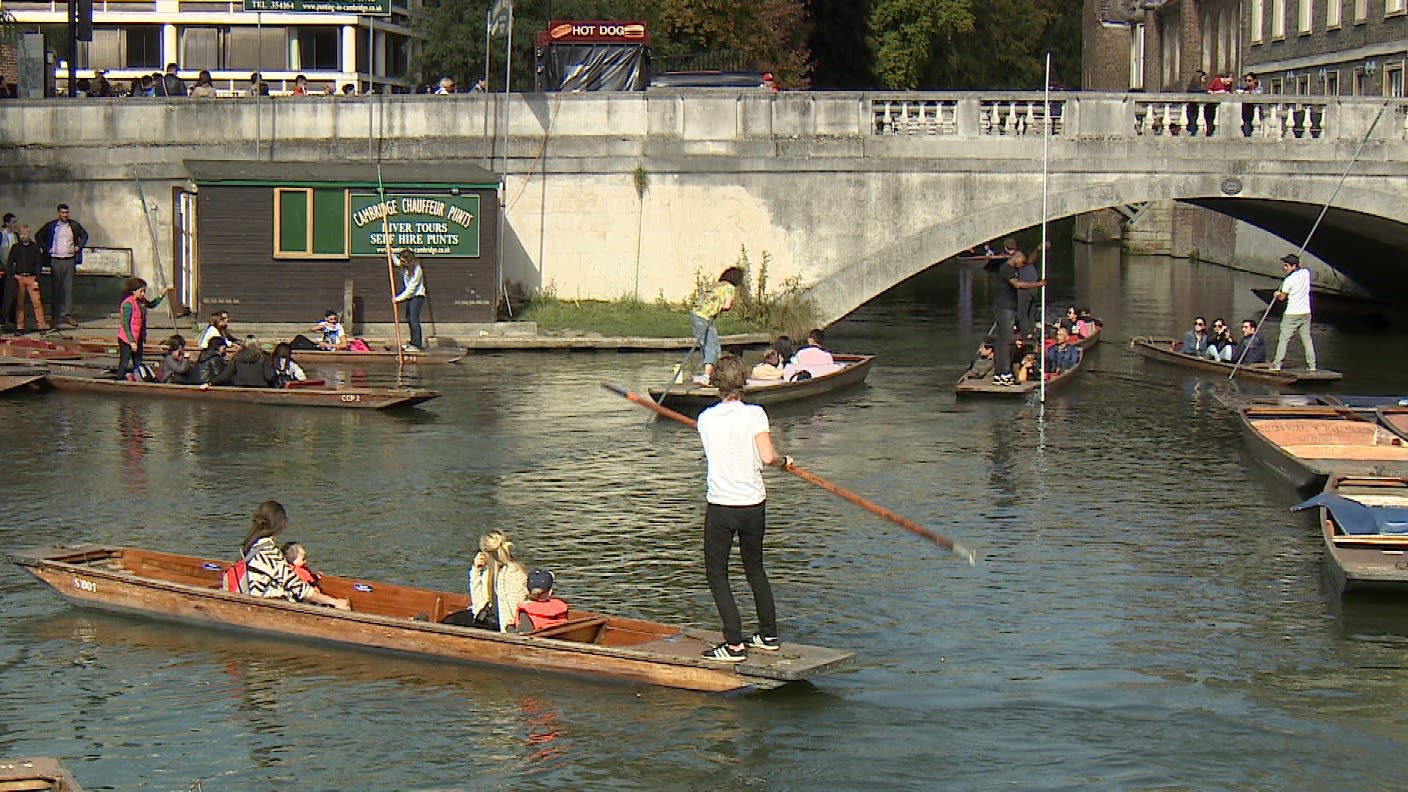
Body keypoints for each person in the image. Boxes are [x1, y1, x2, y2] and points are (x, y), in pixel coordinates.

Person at [695, 353, 790, 662]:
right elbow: (767, 457)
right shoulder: (756, 415)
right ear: (743, 383)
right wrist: (784, 462)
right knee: (755, 569)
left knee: (717, 573)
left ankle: (734, 643)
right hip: (753, 504)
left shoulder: (705, 418)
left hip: (721, 506)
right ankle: (768, 634)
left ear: (716, 385)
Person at [236, 501, 349, 609]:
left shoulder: (252, 546)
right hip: (269, 606)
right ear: (281, 524)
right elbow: (299, 589)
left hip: (258, 600)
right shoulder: (268, 552)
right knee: (336, 606)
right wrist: (334, 602)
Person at [35, 203, 89, 327]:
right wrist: (46, 248)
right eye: (63, 213)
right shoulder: (52, 226)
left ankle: (67, 314)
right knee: (56, 289)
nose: (65, 215)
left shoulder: (73, 225)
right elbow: (38, 236)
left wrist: (79, 247)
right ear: (58, 213)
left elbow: (85, 235)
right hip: (55, 260)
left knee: (68, 289)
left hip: (69, 259)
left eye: (67, 213)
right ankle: (55, 316)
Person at [465, 531, 528, 632]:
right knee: (451, 620)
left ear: (485, 552)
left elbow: (515, 609)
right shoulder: (488, 572)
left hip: (506, 628)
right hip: (493, 620)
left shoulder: (513, 573)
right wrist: (476, 570)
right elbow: (478, 606)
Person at [689, 266, 743, 385]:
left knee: (708, 346)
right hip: (705, 317)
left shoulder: (717, 285)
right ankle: (707, 376)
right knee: (712, 347)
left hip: (695, 314)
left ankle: (711, 373)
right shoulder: (730, 288)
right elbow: (727, 305)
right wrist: (721, 309)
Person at [1270, 253, 1316, 371]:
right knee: (1307, 339)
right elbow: (1303, 268)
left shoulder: (1288, 280)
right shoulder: (1306, 273)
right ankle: (1312, 366)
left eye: (1286, 266)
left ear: (1293, 266)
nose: (1284, 268)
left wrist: (1276, 294)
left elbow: (1282, 298)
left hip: (1292, 314)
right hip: (1306, 312)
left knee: (1284, 339)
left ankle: (1277, 365)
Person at [116, 277, 167, 381]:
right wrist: (131, 341)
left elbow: (151, 304)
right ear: (134, 291)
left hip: (138, 336)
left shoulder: (141, 301)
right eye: (141, 291)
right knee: (124, 361)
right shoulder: (127, 304)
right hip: (127, 339)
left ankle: (137, 379)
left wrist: (161, 296)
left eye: (144, 291)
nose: (143, 294)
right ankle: (119, 380)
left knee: (138, 361)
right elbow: (125, 324)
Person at [7, 225, 44, 332]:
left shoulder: (35, 247)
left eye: (25, 234)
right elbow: (10, 263)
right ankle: (20, 327)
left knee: (37, 302)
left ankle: (41, 326)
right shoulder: (15, 247)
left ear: (29, 233)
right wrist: (11, 277)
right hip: (19, 277)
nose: (23, 236)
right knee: (19, 303)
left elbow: (38, 263)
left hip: (32, 278)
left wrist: (37, 278)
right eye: (21, 234)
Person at [393, 249, 427, 352]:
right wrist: (390, 252)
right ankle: (413, 343)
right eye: (401, 260)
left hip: (417, 296)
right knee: (409, 318)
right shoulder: (404, 266)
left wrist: (397, 299)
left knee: (413, 319)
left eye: (404, 261)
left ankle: (417, 345)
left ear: (409, 261)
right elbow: (396, 262)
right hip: (410, 297)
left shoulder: (417, 270)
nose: (401, 262)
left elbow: (411, 289)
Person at [516, 568, 569, 633]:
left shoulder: (525, 611)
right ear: (550, 592)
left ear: (526, 591)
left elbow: (524, 633)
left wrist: (509, 628)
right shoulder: (560, 608)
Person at [207, 338, 275, 388]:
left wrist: (210, 383)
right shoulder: (263, 357)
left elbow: (226, 375)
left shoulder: (237, 357)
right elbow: (269, 376)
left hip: (240, 388)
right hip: (260, 389)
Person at [0, 213, 17, 330]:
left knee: (14, 295)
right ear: (7, 223)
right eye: (13, 222)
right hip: (2, 270)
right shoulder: (1, 235)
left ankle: (12, 319)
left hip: (14, 270)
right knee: (2, 295)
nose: (15, 224)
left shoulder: (15, 236)